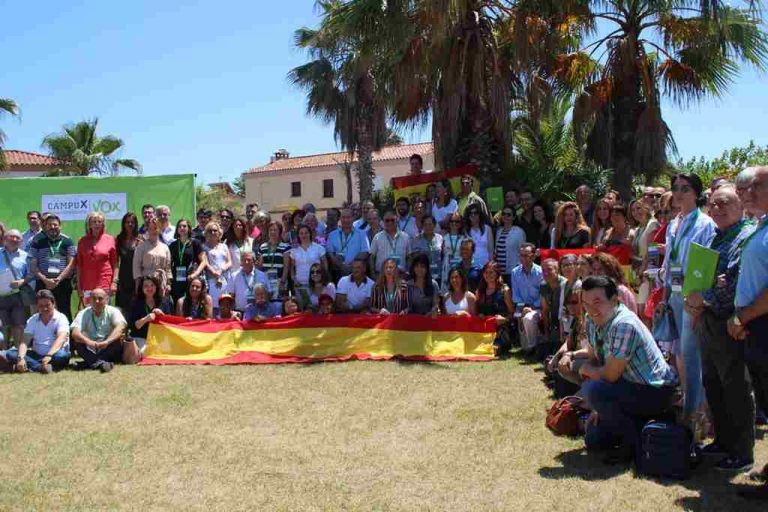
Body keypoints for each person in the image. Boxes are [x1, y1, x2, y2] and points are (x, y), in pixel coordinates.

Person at [682, 185, 756, 472]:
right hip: (707, 321)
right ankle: (723, 441)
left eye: (724, 203)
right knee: (713, 384)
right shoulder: (716, 237)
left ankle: (742, 453)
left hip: (730, 323)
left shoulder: (745, 237)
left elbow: (733, 283)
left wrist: (706, 296)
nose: (717, 209)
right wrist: (698, 299)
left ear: (740, 204)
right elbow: (712, 279)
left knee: (735, 387)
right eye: (713, 204)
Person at [577, 276, 677, 464]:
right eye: (586, 304)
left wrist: (586, 371)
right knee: (594, 440)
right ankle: (644, 425)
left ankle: (632, 444)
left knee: (593, 390)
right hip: (627, 386)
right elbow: (595, 358)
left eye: (597, 302)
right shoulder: (592, 320)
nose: (591, 309)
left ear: (615, 299)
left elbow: (609, 375)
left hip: (654, 390)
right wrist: (598, 408)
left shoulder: (624, 324)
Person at [661, 173, 716, 420]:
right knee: (681, 355)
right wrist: (663, 294)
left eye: (685, 188)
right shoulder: (674, 223)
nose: (679, 193)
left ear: (696, 192)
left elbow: (706, 266)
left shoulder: (705, 224)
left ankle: (695, 414)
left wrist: (698, 301)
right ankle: (692, 406)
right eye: (676, 188)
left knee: (692, 356)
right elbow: (667, 261)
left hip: (691, 297)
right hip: (672, 294)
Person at [729, 166, 768, 498]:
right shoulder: (762, 225)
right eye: (748, 187)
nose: (749, 192)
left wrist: (746, 316)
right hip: (756, 324)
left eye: (758, 186)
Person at [0, 290, 70, 373]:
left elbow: (61, 339)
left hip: (55, 354)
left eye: (47, 305)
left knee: (62, 356)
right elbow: (24, 341)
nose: (44, 308)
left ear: (53, 304)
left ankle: (29, 366)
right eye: (41, 306)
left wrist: (49, 355)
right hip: (36, 355)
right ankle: (41, 367)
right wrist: (21, 358)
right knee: (11, 354)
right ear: (37, 306)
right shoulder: (33, 319)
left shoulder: (61, 318)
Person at [28, 214, 76, 321]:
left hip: (62, 282)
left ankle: (66, 337)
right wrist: (46, 280)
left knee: (65, 311)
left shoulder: (68, 241)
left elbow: (71, 264)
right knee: (43, 311)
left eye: (55, 224)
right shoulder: (37, 241)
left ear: (60, 226)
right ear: (45, 226)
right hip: (43, 282)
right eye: (50, 225)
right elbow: (33, 265)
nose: (52, 227)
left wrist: (58, 279)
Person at [70, 288, 127, 372]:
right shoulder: (83, 313)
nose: (97, 301)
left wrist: (107, 341)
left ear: (106, 300)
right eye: (94, 299)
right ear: (90, 300)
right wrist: (88, 342)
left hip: (107, 345)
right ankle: (102, 364)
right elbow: (75, 332)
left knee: (119, 338)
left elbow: (121, 327)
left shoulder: (113, 311)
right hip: (90, 346)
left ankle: (87, 364)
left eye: (100, 298)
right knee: (77, 340)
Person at [126, 275, 173, 363]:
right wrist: (146, 318)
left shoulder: (164, 301)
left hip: (159, 338)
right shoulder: (135, 303)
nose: (149, 288)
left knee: (168, 353)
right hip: (141, 337)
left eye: (152, 285)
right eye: (146, 286)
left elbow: (169, 324)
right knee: (145, 353)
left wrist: (162, 315)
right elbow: (134, 326)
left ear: (156, 287)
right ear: (142, 288)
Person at [75, 212, 117, 306]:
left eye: (99, 221)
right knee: (89, 314)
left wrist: (114, 282)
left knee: (105, 314)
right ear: (89, 224)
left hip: (105, 283)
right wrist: (79, 286)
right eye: (94, 222)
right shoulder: (82, 241)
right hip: (87, 284)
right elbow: (79, 266)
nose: (97, 224)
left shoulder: (110, 239)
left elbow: (115, 264)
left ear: (103, 224)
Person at [0, 229, 31, 349]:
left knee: (19, 325)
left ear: (21, 241)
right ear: (4, 239)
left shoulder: (25, 256)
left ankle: (18, 353)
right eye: (11, 237)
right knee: (3, 326)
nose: (15, 239)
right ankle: (3, 354)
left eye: (18, 238)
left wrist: (22, 281)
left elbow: (30, 274)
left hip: (18, 295)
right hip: (1, 295)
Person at [475, 262, 514, 355]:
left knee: (492, 350)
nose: (488, 275)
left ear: (497, 273)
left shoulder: (505, 290)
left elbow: (513, 314)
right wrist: (479, 315)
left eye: (491, 272)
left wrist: (505, 319)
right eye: (486, 272)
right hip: (484, 329)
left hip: (501, 329)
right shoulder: (479, 291)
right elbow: (476, 312)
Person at [511, 243, 543, 353]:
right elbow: (516, 295)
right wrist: (523, 307)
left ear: (533, 256)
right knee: (519, 316)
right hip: (521, 306)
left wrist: (532, 307)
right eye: (521, 255)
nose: (523, 258)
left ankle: (534, 347)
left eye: (526, 255)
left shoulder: (541, 272)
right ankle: (528, 344)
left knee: (529, 318)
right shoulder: (515, 272)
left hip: (538, 307)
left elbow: (542, 294)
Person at [132, 217, 172, 296]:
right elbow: (136, 267)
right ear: (147, 229)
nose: (154, 230)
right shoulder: (141, 247)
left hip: (161, 283)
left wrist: (168, 284)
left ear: (160, 229)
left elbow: (168, 267)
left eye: (156, 228)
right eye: (151, 228)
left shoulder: (165, 247)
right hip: (147, 283)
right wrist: (138, 284)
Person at [168, 218, 205, 303]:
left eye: (184, 226)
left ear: (189, 228)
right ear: (177, 230)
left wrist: (195, 274)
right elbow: (169, 265)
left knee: (191, 302)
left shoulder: (195, 243)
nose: (182, 228)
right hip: (177, 280)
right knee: (178, 302)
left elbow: (204, 261)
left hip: (191, 278)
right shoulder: (172, 245)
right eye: (179, 226)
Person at [326, 208, 370, 278]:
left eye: (348, 217)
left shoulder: (362, 234)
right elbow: (330, 253)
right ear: (340, 219)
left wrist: (352, 265)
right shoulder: (332, 235)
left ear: (353, 218)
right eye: (343, 217)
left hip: (357, 271)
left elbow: (365, 252)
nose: (346, 220)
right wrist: (341, 266)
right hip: (338, 272)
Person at [257, 221, 291, 303]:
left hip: (279, 281)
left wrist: (282, 281)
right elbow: (260, 266)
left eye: (275, 230)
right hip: (266, 282)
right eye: (270, 230)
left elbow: (286, 267)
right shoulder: (263, 247)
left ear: (279, 232)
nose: (272, 232)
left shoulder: (285, 247)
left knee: (279, 304)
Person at [202, 221, 232, 315]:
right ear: (206, 233)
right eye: (210, 231)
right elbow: (205, 262)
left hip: (224, 279)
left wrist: (221, 270)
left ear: (219, 232)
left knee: (225, 305)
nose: (213, 233)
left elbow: (229, 262)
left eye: (215, 230)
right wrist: (214, 272)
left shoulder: (224, 246)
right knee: (213, 306)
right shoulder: (203, 247)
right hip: (211, 280)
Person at [540, 258, 568, 357]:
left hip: (565, 321)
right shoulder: (543, 285)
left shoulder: (565, 284)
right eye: (543, 270)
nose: (546, 273)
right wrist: (546, 332)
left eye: (549, 269)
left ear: (557, 270)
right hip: (554, 322)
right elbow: (545, 310)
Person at [369, 211, 411, 277]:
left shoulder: (405, 237)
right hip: (381, 276)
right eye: (387, 220)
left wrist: (407, 272)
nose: (390, 222)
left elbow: (409, 257)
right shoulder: (377, 237)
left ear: (397, 220)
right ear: (383, 222)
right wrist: (373, 275)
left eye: (392, 220)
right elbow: (371, 257)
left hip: (400, 275)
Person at [289, 224, 327, 293]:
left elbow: (325, 266)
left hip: (316, 284)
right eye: (301, 233)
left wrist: (323, 280)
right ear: (298, 235)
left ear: (310, 234)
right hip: (300, 285)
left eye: (306, 233)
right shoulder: (294, 250)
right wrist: (294, 280)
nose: (304, 235)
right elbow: (292, 268)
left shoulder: (319, 248)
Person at [114, 213, 140, 312]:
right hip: (123, 278)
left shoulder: (140, 239)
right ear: (123, 224)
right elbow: (116, 261)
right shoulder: (119, 239)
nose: (130, 224)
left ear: (136, 224)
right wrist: (115, 280)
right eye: (127, 222)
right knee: (121, 308)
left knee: (135, 307)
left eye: (132, 222)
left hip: (136, 278)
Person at [495, 207, 526, 286]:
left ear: (513, 217)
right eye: (503, 214)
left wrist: (519, 266)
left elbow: (523, 250)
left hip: (513, 271)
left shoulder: (519, 231)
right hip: (499, 272)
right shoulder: (499, 231)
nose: (505, 216)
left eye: (508, 214)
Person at [410, 215, 443, 285]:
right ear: (422, 226)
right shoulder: (417, 239)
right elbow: (414, 258)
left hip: (437, 274)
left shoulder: (440, 238)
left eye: (430, 224)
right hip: (422, 275)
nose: (428, 227)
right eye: (425, 225)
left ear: (434, 225)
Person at [441, 212, 467, 287]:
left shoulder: (464, 238)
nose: (454, 223)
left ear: (461, 224)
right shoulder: (444, 237)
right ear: (449, 223)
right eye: (452, 221)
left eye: (457, 221)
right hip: (446, 267)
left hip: (459, 267)